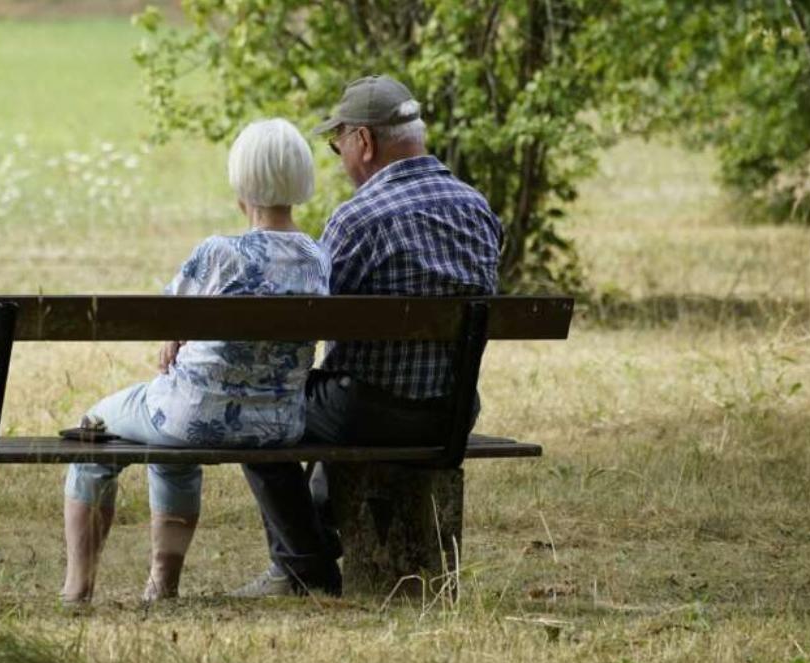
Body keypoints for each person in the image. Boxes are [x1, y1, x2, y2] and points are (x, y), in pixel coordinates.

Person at [233, 75, 503, 598]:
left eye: (338, 147)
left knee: (254, 408)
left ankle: (304, 568)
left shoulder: (357, 219)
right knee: (335, 396)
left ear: (364, 141)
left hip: (369, 412)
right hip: (452, 412)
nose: (340, 159)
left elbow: (308, 321)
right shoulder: (478, 209)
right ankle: (311, 549)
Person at [61, 118, 331, 604]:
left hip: (193, 416)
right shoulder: (317, 258)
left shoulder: (218, 253)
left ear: (241, 183)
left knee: (93, 429)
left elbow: (166, 315)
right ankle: (161, 585)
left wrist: (175, 335)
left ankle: (77, 588)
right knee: (171, 443)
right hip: (278, 425)